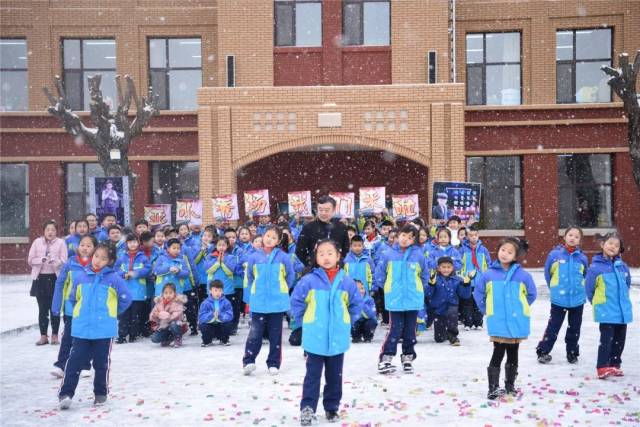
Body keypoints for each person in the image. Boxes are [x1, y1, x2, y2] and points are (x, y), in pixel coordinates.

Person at [290, 239, 363, 426]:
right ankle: (307, 408)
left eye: (330, 253)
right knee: (312, 375)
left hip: (337, 337)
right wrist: (304, 321)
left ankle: (331, 408)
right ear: (316, 257)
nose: (326, 257)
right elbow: (296, 302)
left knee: (334, 376)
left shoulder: (346, 282)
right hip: (315, 336)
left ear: (338, 256)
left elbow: (356, 304)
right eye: (321, 253)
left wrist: (346, 321)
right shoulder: (309, 281)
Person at [58, 243, 132, 410]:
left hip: (103, 331)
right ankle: (66, 393)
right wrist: (80, 312)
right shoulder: (81, 277)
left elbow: (126, 298)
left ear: (110, 261)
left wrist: (111, 313)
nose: (98, 260)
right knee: (74, 362)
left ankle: (100, 392)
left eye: (104, 258)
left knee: (101, 363)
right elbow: (73, 298)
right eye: (96, 256)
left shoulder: (114, 279)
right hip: (81, 329)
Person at [473, 237, 536, 400]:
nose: (505, 254)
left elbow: (531, 294)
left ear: (516, 256)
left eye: (509, 252)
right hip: (498, 321)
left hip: (516, 321)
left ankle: (510, 385)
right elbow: (478, 293)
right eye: (503, 250)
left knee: (513, 353)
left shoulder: (523, 276)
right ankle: (493, 387)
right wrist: (487, 309)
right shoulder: (489, 275)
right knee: (498, 352)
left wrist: (520, 308)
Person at [374, 225, 428, 374]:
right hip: (395, 299)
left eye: (410, 237)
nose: (406, 239)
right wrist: (389, 288)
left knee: (411, 330)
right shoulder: (388, 254)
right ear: (398, 235)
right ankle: (386, 358)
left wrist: (416, 289)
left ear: (414, 240)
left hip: (413, 299)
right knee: (394, 329)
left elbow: (424, 276)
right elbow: (379, 275)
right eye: (404, 235)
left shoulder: (419, 256)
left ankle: (408, 357)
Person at [242, 226, 294, 376]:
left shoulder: (283, 257)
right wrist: (252, 294)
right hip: (259, 301)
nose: (269, 239)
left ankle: (273, 363)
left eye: (273, 237)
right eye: (267, 236)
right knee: (255, 333)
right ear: (263, 237)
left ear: (278, 241)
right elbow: (250, 277)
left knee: (275, 334)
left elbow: (290, 276)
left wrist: (281, 289)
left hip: (277, 303)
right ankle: (249, 361)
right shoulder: (254, 257)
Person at [536, 226, 589, 364]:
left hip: (577, 299)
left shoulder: (582, 258)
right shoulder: (555, 255)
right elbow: (548, 274)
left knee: (575, 328)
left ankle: (572, 353)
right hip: (559, 299)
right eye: (570, 235)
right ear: (564, 237)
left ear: (580, 240)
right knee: (553, 326)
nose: (573, 238)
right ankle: (543, 351)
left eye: (577, 236)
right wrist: (554, 288)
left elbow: (585, 275)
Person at [585, 232, 632, 379]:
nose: (613, 246)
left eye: (617, 245)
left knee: (620, 340)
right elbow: (589, 288)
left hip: (622, 311)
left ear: (620, 249)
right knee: (606, 340)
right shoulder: (595, 268)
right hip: (606, 310)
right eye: (610, 243)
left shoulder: (623, 267)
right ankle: (602, 366)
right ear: (602, 245)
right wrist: (597, 302)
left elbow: (627, 284)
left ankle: (614, 364)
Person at [51, 234, 96, 378]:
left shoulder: (97, 264)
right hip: (71, 308)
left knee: (87, 337)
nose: (85, 248)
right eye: (82, 245)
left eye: (89, 245)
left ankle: (85, 365)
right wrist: (56, 304)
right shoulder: (70, 263)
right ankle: (61, 365)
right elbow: (60, 284)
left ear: (95, 248)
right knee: (68, 338)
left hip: (89, 309)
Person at [28, 220, 68, 346]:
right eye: (48, 229)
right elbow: (30, 260)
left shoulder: (61, 243)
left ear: (57, 231)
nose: (50, 232)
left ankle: (55, 335)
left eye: (53, 230)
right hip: (40, 279)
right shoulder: (37, 242)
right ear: (44, 231)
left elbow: (64, 260)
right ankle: (43, 336)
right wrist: (42, 259)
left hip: (55, 279)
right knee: (42, 309)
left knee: (54, 308)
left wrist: (55, 261)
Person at [426, 256, 472, 346]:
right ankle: (443, 334)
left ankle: (452, 335)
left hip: (452, 306)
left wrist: (466, 284)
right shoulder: (434, 279)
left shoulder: (457, 280)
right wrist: (431, 284)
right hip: (438, 309)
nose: (446, 270)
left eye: (448, 267)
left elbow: (465, 295)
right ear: (438, 268)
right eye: (443, 267)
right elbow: (428, 294)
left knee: (452, 315)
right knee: (439, 339)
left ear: (452, 268)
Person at [114, 234, 151, 344]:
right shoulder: (122, 257)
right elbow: (116, 269)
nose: (132, 244)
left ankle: (133, 335)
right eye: (130, 242)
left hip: (138, 292)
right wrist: (123, 274)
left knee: (135, 315)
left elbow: (148, 269)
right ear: (127, 244)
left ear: (138, 243)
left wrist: (135, 273)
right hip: (125, 291)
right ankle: (122, 335)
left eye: (134, 242)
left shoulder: (143, 257)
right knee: (123, 315)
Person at [296, 196, 350, 267]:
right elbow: (300, 251)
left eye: (327, 210)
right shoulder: (308, 227)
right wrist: (311, 264)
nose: (323, 213)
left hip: (337, 270)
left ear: (333, 210)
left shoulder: (341, 227)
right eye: (320, 210)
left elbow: (346, 250)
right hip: (315, 270)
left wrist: (339, 263)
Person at [459, 224, 491, 330]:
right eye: (471, 235)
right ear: (467, 237)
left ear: (478, 236)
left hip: (480, 280)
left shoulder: (484, 250)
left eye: (475, 235)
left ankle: (478, 323)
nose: (473, 237)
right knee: (467, 303)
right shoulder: (463, 250)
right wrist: (462, 276)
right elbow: (459, 263)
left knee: (479, 302)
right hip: (467, 280)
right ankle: (468, 323)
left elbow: (488, 264)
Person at [149, 283, 187, 348]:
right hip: (164, 325)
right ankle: (168, 338)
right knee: (154, 338)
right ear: (163, 294)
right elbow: (152, 315)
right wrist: (155, 316)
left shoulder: (177, 302)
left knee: (173, 324)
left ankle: (177, 337)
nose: (168, 295)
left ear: (174, 293)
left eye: (170, 293)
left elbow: (171, 316)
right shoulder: (159, 302)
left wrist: (160, 314)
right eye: (166, 293)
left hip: (176, 324)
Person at [199, 280, 233, 346]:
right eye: (215, 290)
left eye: (220, 290)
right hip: (210, 326)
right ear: (210, 291)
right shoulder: (205, 303)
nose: (218, 293)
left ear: (222, 291)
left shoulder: (226, 302)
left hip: (221, 326)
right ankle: (207, 340)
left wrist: (220, 315)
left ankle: (224, 339)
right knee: (203, 325)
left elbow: (230, 316)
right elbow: (201, 317)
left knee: (228, 324)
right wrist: (211, 314)